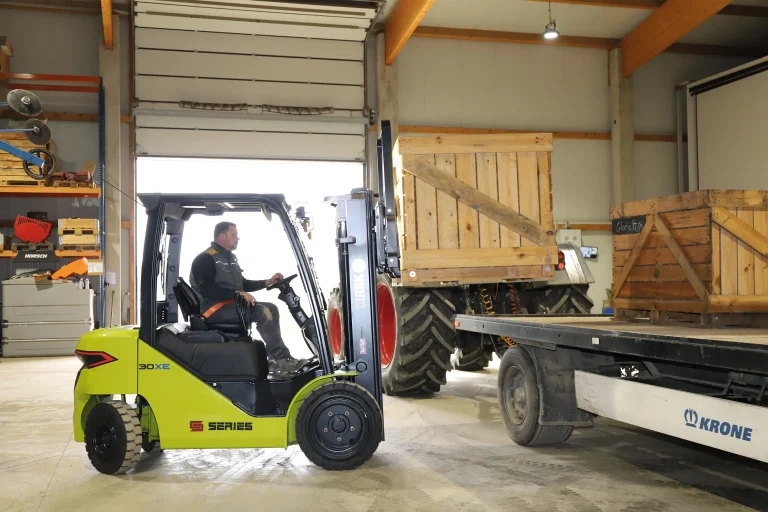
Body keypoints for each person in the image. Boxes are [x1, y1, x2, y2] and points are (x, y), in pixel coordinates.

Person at [189, 221, 296, 363]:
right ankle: (283, 360)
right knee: (261, 311)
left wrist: (268, 282)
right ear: (222, 237)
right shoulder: (205, 258)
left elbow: (243, 284)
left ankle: (274, 360)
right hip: (213, 309)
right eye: (234, 235)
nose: (237, 238)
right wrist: (237, 294)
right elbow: (206, 289)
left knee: (272, 308)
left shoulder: (229, 258)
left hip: (230, 305)